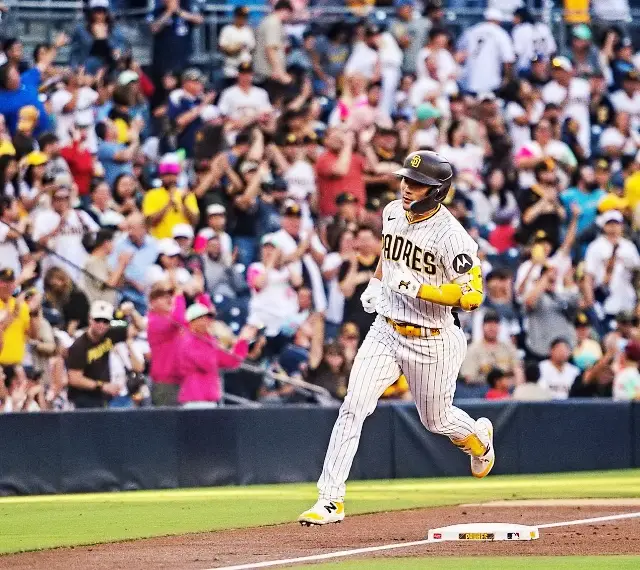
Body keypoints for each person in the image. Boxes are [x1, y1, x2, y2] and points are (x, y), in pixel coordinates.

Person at [298, 151, 494, 525]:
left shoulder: (453, 237)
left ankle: (479, 439)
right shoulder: (391, 212)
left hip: (432, 337)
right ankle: (330, 499)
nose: (406, 187)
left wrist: (421, 290)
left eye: (417, 183)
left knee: (436, 420)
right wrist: (376, 283)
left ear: (437, 191)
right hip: (386, 330)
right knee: (353, 404)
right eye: (405, 179)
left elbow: (472, 296)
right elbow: (388, 257)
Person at [177, 303, 256, 407]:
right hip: (194, 398)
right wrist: (215, 342)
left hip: (210, 399)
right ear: (191, 322)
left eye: (208, 318)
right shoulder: (188, 341)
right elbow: (207, 363)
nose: (207, 321)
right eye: (201, 318)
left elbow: (232, 361)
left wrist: (242, 341)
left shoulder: (209, 341)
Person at [65, 300, 128, 409]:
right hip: (82, 400)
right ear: (90, 319)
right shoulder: (79, 346)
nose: (101, 325)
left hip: (103, 397)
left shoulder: (110, 335)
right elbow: (74, 378)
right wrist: (102, 386)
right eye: (97, 320)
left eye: (105, 321)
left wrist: (127, 313)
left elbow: (136, 328)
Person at [457, 8, 515, 95]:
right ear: (499, 21)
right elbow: (508, 59)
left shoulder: (471, 31)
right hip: (491, 83)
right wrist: (507, 78)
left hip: (469, 81)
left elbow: (459, 53)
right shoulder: (500, 33)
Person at [147, 281, 186, 406]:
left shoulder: (170, 318)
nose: (168, 299)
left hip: (181, 379)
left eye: (169, 296)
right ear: (152, 302)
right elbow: (178, 320)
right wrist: (179, 296)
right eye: (162, 297)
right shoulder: (154, 321)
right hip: (165, 382)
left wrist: (200, 295)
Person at [142, 154, 199, 239]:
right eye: (167, 175)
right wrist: (168, 204)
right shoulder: (151, 195)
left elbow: (195, 221)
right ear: (161, 177)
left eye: (174, 175)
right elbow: (149, 222)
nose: (170, 178)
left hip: (182, 241)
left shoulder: (186, 194)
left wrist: (184, 204)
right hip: (160, 241)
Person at [461, 310, 522, 385]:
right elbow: (468, 378)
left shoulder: (508, 347)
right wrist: (494, 382)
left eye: (495, 324)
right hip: (481, 389)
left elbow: (518, 372)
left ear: (499, 327)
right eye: (489, 324)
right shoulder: (473, 349)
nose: (492, 327)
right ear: (482, 326)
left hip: (507, 389)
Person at [148, 0, 204, 80]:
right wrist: (169, 12)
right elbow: (153, 28)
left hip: (184, 59)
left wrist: (178, 11)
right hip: (164, 61)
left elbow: (199, 20)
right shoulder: (157, 12)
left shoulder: (186, 9)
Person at [253, 0, 294, 99]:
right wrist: (280, 73)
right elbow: (270, 49)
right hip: (269, 75)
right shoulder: (273, 23)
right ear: (285, 10)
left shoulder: (269, 21)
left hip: (268, 73)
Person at [218, 6, 255, 86]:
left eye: (245, 17)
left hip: (245, 68)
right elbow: (223, 48)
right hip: (231, 68)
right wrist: (237, 48)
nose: (243, 19)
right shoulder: (227, 29)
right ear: (236, 16)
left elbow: (252, 48)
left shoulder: (248, 30)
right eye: (241, 16)